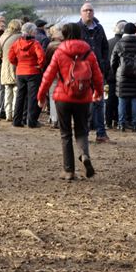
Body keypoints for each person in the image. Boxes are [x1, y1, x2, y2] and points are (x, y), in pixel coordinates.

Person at [38, 23, 104, 180]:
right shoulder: (88, 51)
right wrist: (98, 93)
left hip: (63, 97)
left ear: (64, 34)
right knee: (82, 130)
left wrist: (41, 96)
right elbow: (97, 76)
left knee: (65, 134)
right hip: (83, 97)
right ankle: (84, 155)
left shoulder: (59, 51)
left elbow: (48, 76)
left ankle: (68, 171)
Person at [77, 2, 111, 143]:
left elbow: (105, 47)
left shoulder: (99, 28)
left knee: (99, 102)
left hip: (97, 71)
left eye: (90, 10)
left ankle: (101, 133)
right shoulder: (76, 28)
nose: (88, 13)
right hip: (82, 73)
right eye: (86, 10)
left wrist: (103, 62)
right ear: (81, 13)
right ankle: (82, 134)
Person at [111, 22, 136, 133]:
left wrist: (116, 73)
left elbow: (113, 62)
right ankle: (135, 125)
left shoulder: (119, 44)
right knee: (134, 100)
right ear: (134, 32)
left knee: (122, 100)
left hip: (122, 77)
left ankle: (121, 124)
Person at [9, 22, 45, 128]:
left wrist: (18, 64)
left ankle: (16, 121)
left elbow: (11, 57)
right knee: (32, 97)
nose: (35, 32)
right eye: (34, 31)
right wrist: (39, 66)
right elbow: (41, 57)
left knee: (20, 97)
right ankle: (31, 121)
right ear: (31, 32)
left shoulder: (16, 43)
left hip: (20, 72)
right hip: (33, 72)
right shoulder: (35, 44)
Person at [0, 19, 22, 121]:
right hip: (17, 66)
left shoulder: (2, 37)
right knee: (16, 91)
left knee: (7, 90)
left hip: (5, 66)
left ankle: (8, 114)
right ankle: (15, 113)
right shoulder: (20, 37)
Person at [106, 20, 126, 129]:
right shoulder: (124, 43)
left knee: (111, 97)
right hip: (122, 74)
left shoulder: (108, 42)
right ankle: (118, 119)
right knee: (121, 98)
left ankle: (108, 120)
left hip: (110, 74)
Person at [43, 23, 64, 128]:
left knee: (52, 96)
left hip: (52, 72)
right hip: (64, 73)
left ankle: (54, 118)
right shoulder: (66, 45)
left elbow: (46, 60)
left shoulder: (50, 45)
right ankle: (61, 120)